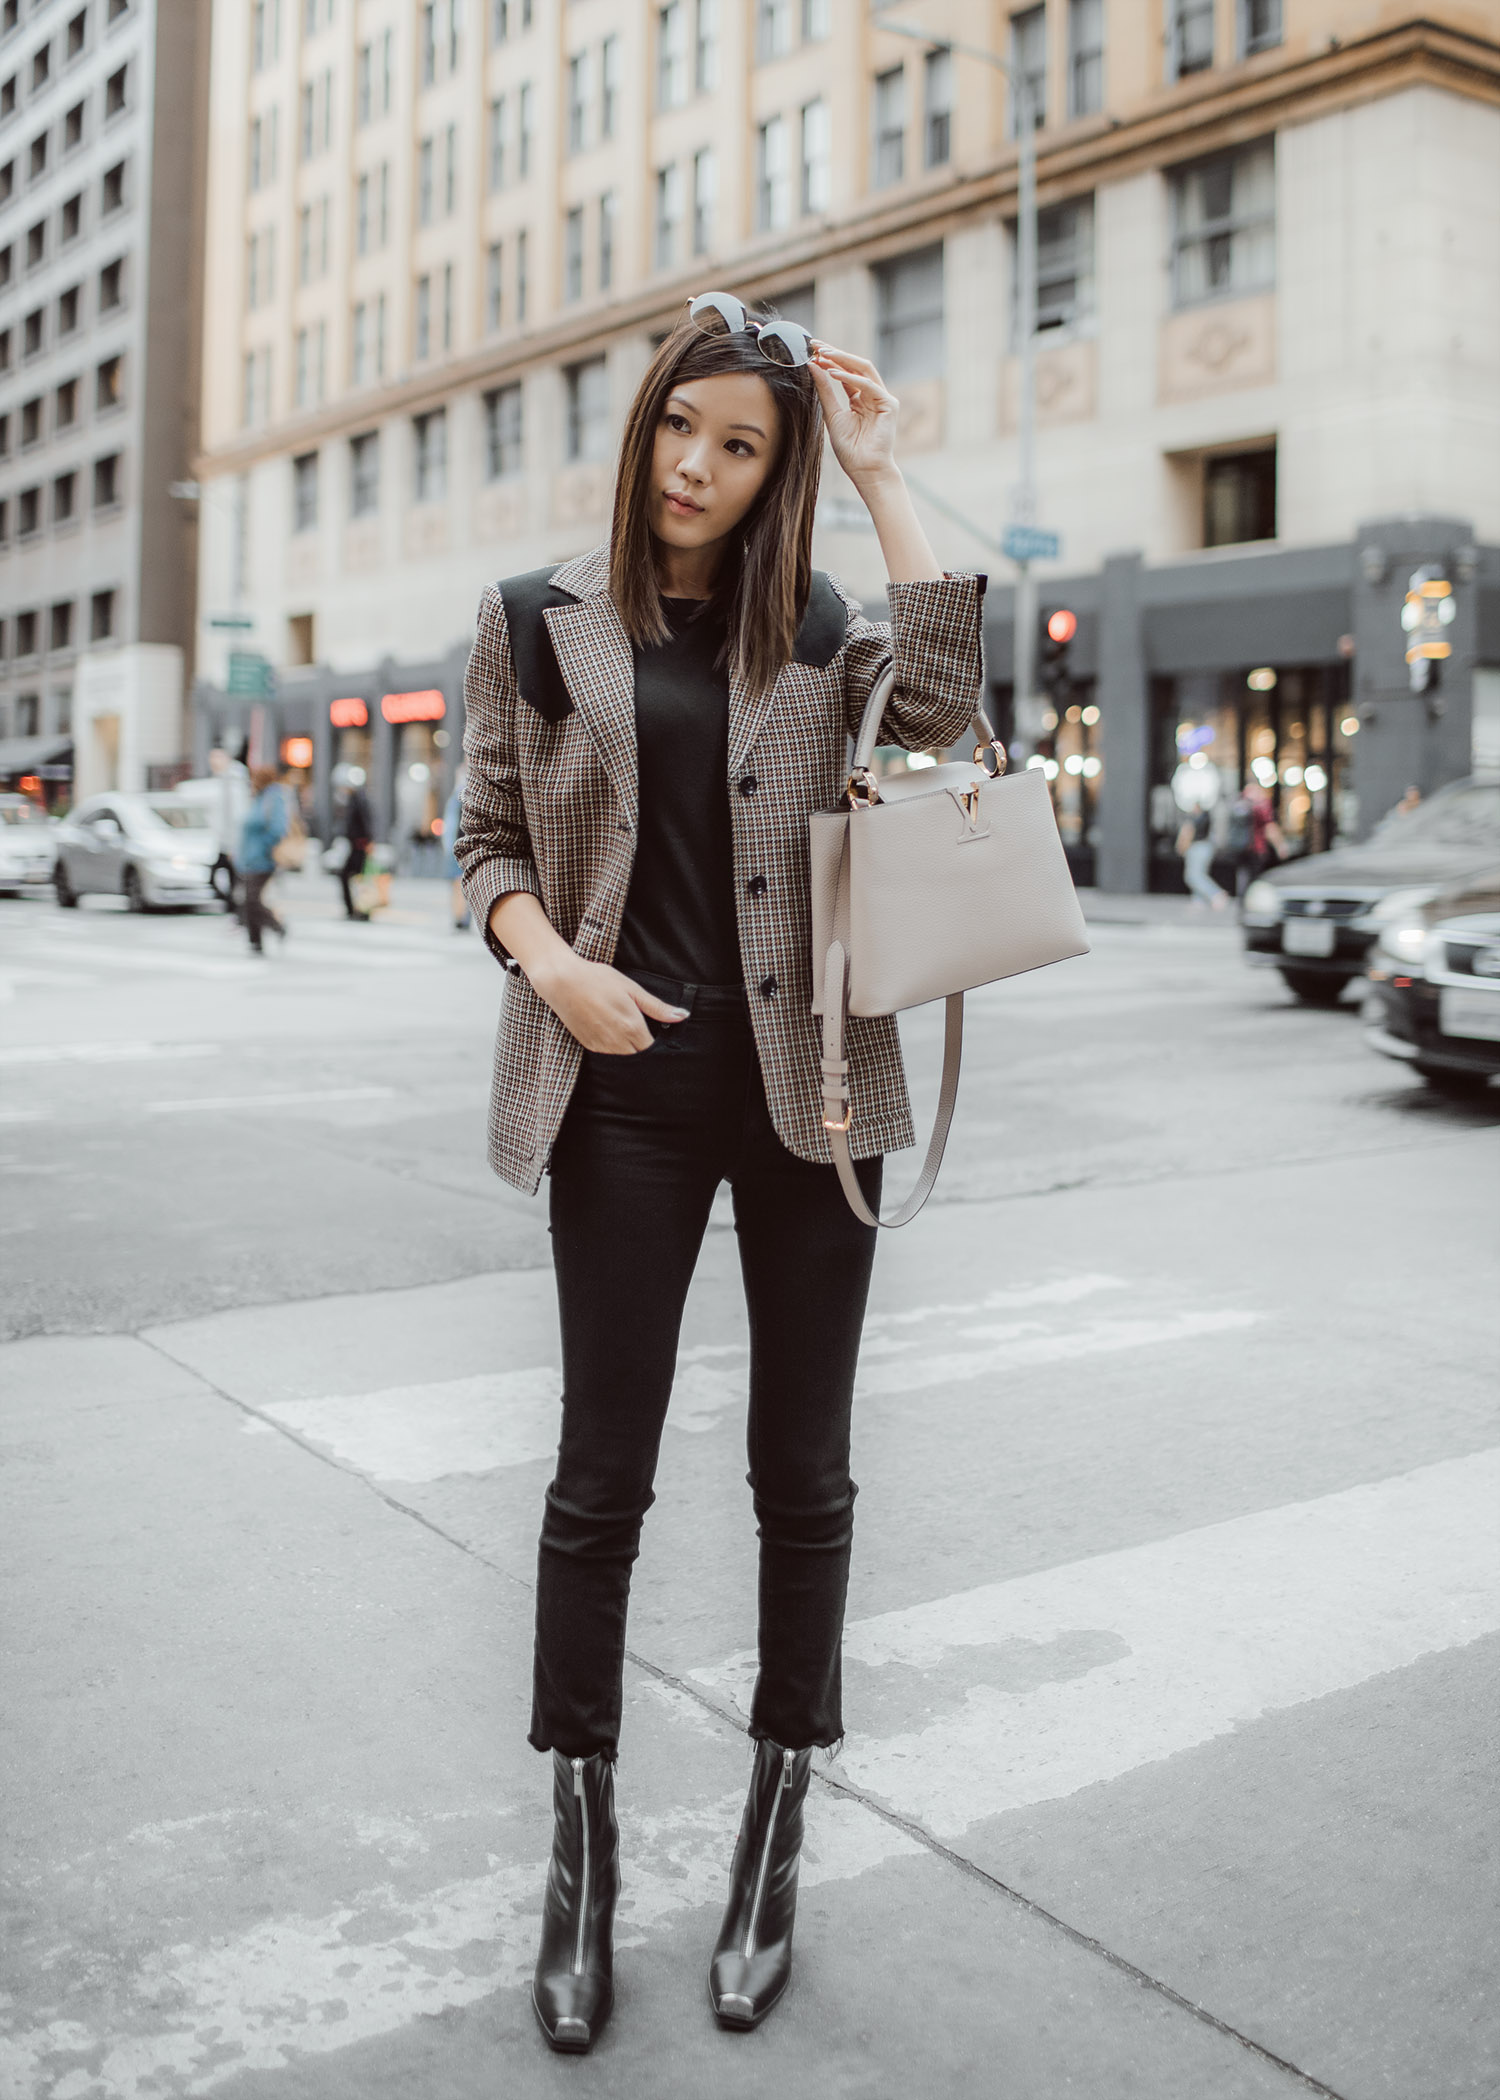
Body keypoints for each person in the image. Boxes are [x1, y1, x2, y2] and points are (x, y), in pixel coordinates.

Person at [457, 292, 986, 2053]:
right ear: (646, 427)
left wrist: (886, 476)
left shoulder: (824, 628)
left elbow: (946, 741)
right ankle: (583, 1846)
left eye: (742, 448)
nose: (699, 467)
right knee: (598, 1478)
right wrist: (552, 963)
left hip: (810, 1080)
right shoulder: (541, 625)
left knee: (802, 1472)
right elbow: (483, 841)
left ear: (777, 476)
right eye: (684, 430)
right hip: (620, 1081)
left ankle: (778, 1818)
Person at [238, 764, 288, 953]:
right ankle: (255, 941)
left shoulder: (274, 798)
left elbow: (277, 829)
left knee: (251, 899)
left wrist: (264, 848)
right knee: (248, 900)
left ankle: (275, 927)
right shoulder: (258, 798)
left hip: (262, 859)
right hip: (249, 859)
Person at [207, 745, 250, 914]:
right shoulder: (222, 780)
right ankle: (234, 910)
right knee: (227, 879)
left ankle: (236, 911)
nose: (212, 762)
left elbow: (237, 816)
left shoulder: (233, 782)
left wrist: (234, 845)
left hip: (232, 843)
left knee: (234, 880)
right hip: (223, 842)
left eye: (216, 757)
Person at [332, 765, 374, 920]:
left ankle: (359, 909)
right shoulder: (355, 798)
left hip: (359, 845)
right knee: (357, 878)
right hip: (356, 844)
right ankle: (358, 909)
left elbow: (366, 822)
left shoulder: (358, 799)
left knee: (354, 877)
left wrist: (368, 841)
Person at [1176, 804, 1226, 909]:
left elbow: (1187, 833)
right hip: (1205, 847)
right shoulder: (1204, 817)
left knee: (1193, 875)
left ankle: (1215, 894)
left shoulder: (1196, 818)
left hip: (1198, 847)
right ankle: (1199, 899)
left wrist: (1181, 846)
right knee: (1198, 873)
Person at [441, 767, 470, 932]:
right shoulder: (462, 796)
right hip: (461, 846)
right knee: (461, 884)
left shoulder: (458, 797)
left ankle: (460, 916)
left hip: (458, 847)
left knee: (457, 884)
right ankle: (461, 916)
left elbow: (450, 827)